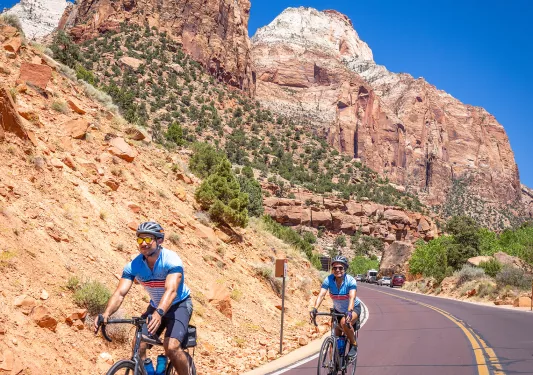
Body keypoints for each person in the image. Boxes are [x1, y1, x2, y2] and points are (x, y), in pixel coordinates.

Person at [93, 221, 193, 375]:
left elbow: (171, 290)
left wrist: (159, 313)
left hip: (178, 305)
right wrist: (106, 313)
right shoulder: (134, 266)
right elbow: (120, 293)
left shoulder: (171, 260)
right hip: (155, 306)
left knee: (171, 347)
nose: (143, 243)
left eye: (148, 239)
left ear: (159, 240)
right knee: (138, 345)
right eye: (140, 240)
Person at [310, 255, 360, 358]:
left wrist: (349, 311)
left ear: (345, 269)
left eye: (340, 268)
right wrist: (314, 308)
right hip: (338, 310)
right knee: (334, 339)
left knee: (344, 322)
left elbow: (351, 297)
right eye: (335, 268)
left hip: (353, 308)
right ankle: (333, 365)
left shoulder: (350, 280)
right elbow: (321, 294)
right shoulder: (329, 279)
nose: (337, 270)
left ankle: (354, 344)